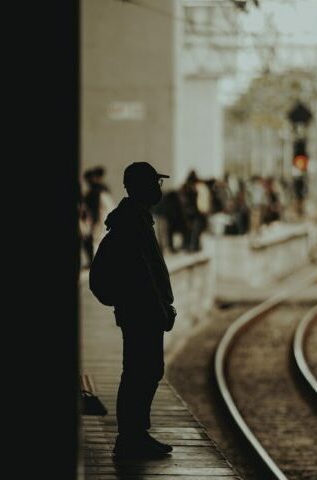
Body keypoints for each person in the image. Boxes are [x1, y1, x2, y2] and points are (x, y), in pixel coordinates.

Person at [104, 162, 177, 458]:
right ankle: (131, 437)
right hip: (141, 310)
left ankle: (135, 434)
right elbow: (143, 272)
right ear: (142, 186)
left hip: (140, 309)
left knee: (143, 370)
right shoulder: (133, 221)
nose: (159, 189)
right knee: (140, 371)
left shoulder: (135, 217)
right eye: (155, 183)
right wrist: (160, 308)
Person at [82, 167, 115, 264]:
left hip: (100, 222)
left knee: (98, 242)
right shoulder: (101, 191)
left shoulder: (97, 192)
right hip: (102, 222)